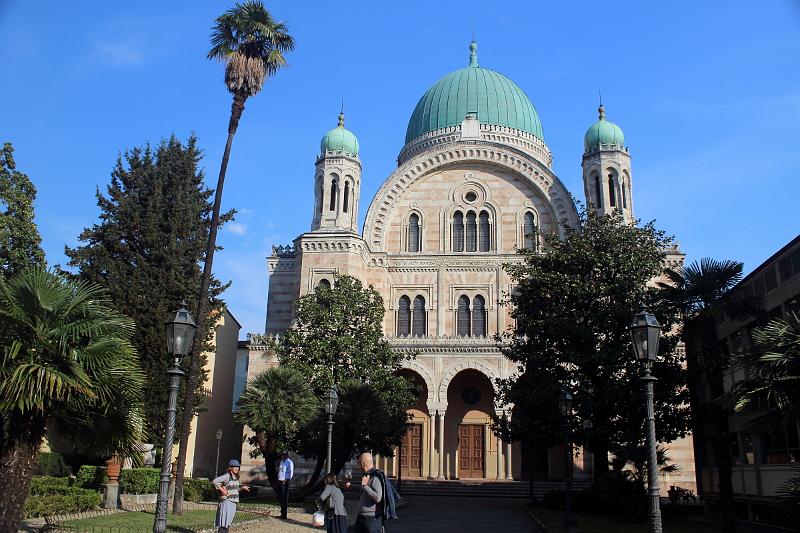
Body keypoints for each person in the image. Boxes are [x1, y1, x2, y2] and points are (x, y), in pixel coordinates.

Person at [212, 459, 250, 533]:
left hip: (233, 502)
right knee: (223, 523)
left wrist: (242, 488)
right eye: (234, 467)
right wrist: (222, 491)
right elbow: (215, 481)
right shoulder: (227, 476)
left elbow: (234, 490)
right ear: (230, 468)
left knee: (227, 523)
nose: (237, 468)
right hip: (226, 502)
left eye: (238, 467)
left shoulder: (235, 477)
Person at [355, 452, 384, 533]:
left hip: (371, 520)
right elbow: (364, 493)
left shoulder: (375, 477)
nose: (358, 465)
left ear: (362, 463)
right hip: (361, 517)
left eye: (358, 463)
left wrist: (365, 486)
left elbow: (378, 498)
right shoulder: (367, 476)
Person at [277, 450, 294, 519]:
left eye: (283, 455)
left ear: (286, 455)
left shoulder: (289, 462)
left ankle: (284, 515)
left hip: (285, 481)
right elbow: (281, 471)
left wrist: (286, 480)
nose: (282, 456)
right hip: (280, 481)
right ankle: (282, 513)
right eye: (281, 455)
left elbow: (290, 473)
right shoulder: (282, 462)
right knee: (281, 497)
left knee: (285, 497)